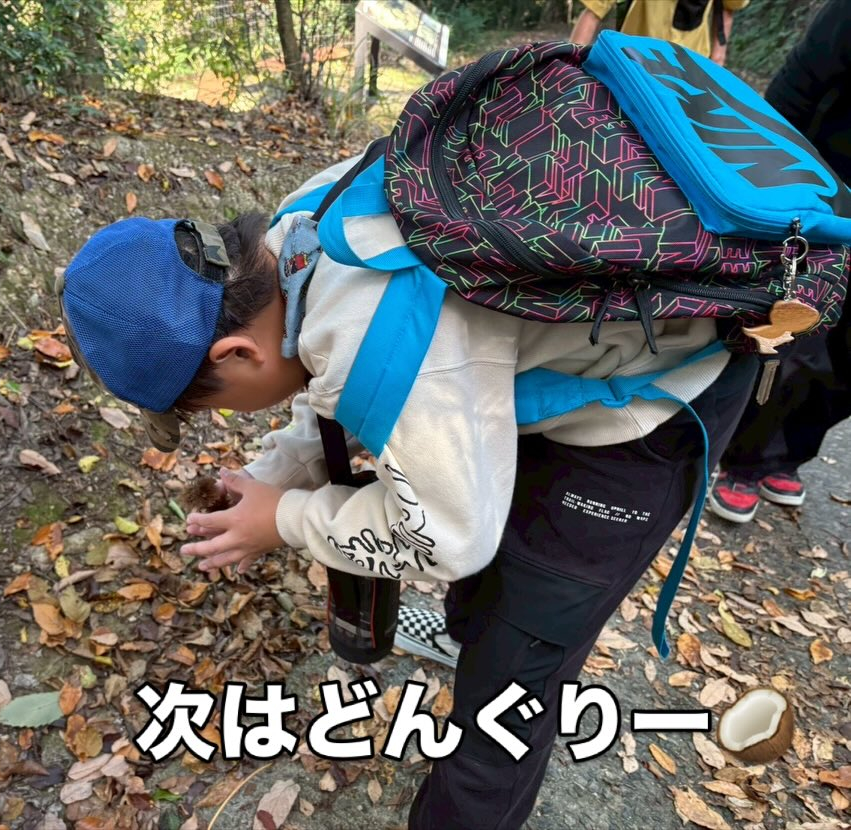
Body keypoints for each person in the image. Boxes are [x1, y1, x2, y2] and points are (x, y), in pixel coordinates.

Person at [57, 155, 758, 825]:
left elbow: (449, 535)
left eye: (213, 403)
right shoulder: (298, 231)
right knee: (491, 551)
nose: (230, 415)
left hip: (649, 409)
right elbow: (343, 367)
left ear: (235, 353)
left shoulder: (383, 330)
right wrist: (278, 473)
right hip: (534, 371)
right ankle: (473, 634)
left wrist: (290, 520)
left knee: (511, 692)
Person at [708, 0, 851, 524]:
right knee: (795, 334)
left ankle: (790, 453)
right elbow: (799, 84)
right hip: (826, 200)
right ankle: (743, 459)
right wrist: (772, 183)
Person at [570, 0, 749, 65]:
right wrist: (570, 65)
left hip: (688, 67)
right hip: (633, 60)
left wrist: (717, 61)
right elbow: (593, 11)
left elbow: (726, 9)